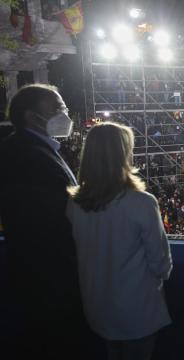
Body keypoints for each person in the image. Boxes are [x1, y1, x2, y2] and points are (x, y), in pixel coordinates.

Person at [0, 84, 97, 358]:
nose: (64, 114)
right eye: (57, 108)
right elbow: (45, 219)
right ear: (32, 117)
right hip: (48, 278)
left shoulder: (35, 149)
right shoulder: (24, 155)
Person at [66, 122, 172, 360]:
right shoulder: (142, 203)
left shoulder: (74, 203)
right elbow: (161, 264)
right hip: (136, 310)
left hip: (96, 306)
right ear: (123, 154)